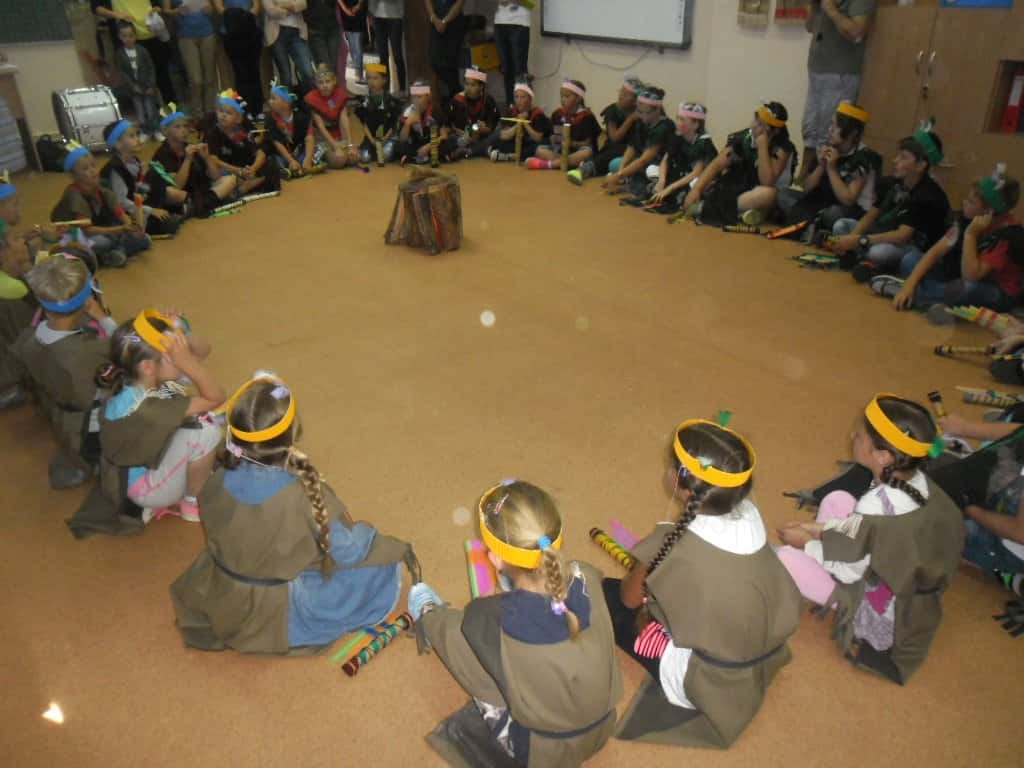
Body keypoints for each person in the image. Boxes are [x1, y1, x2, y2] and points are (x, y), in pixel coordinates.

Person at [170, 372, 419, 653]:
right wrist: (367, 532)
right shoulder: (305, 496)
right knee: (381, 563)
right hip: (279, 612)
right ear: (292, 433)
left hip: (227, 599)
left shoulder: (217, 477)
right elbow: (348, 553)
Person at [607, 419, 801, 748]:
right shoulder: (750, 514)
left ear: (679, 482)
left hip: (702, 678)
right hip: (759, 652)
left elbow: (628, 599)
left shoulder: (672, 542)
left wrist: (644, 566)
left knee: (606, 596)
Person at [409, 479, 622, 767]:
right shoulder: (588, 575)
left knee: (462, 639)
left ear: (496, 560)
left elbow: (456, 635)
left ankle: (426, 609)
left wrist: (430, 615)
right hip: (603, 728)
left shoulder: (488, 618)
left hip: (543, 753)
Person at [777, 394, 962, 684]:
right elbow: (869, 534)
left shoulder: (876, 506)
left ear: (883, 456)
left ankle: (837, 604)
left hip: (875, 604)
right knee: (838, 499)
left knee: (785, 558)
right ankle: (817, 562)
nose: (853, 436)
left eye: (860, 435)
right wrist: (817, 529)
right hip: (895, 580)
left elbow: (850, 571)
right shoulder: (917, 483)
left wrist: (807, 544)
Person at [93, 310, 223, 525]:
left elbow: (203, 351)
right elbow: (216, 397)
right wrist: (187, 363)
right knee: (208, 430)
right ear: (148, 367)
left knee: (196, 411)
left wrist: (180, 331)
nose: (182, 356)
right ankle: (191, 502)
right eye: (174, 354)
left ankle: (182, 478)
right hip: (145, 488)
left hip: (136, 463)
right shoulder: (148, 408)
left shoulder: (137, 379)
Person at [14, 255, 117, 489]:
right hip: (92, 422)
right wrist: (103, 317)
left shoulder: (28, 339)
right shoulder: (91, 351)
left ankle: (81, 459)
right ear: (86, 301)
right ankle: (97, 463)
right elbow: (128, 346)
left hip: (60, 413)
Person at [879, 170, 1022, 314]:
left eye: (971, 202)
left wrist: (971, 235)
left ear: (989, 212)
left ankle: (911, 294)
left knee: (968, 288)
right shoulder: (966, 220)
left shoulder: (1007, 236)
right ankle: (928, 297)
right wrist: (909, 285)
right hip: (960, 279)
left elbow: (971, 275)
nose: (964, 202)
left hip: (996, 291)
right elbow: (935, 252)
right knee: (910, 259)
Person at [830, 127, 950, 283]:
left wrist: (860, 241)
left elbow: (902, 236)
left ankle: (879, 267)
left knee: (879, 252)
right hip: (886, 234)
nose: (895, 160)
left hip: (912, 247)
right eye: (898, 155)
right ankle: (861, 259)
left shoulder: (927, 196)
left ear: (921, 165)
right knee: (841, 226)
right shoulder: (892, 183)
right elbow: (871, 215)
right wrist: (851, 240)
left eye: (903, 157)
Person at [799, 0, 876, 185]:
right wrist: (813, 6)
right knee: (810, 133)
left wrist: (831, 9)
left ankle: (821, 188)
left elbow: (857, 32)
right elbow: (809, 27)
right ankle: (803, 183)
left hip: (840, 76)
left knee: (829, 136)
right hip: (817, 72)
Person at [685, 102, 796, 227]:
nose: (754, 125)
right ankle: (746, 212)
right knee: (708, 182)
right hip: (744, 184)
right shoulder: (744, 137)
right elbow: (717, 165)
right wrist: (697, 189)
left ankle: (706, 207)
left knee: (768, 194)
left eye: (761, 124)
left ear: (774, 131)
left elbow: (767, 181)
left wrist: (762, 148)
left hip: (766, 190)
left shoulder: (783, 148)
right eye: (756, 119)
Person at [778, 101, 880, 233]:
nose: (830, 129)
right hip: (821, 202)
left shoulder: (864, 157)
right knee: (783, 195)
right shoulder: (828, 147)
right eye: (831, 124)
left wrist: (831, 169)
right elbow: (807, 188)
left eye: (836, 126)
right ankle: (814, 225)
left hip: (850, 209)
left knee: (833, 213)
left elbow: (848, 199)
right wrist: (821, 166)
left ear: (852, 133)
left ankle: (812, 224)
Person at [51, 145, 152, 269]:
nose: (92, 171)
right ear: (73, 176)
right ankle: (114, 252)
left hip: (105, 229)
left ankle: (116, 252)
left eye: (93, 166)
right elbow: (87, 230)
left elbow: (121, 215)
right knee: (102, 242)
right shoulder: (74, 196)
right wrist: (120, 230)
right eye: (85, 169)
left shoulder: (103, 191)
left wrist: (132, 228)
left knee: (142, 239)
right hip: (78, 235)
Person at [100, 119, 183, 236]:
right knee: (169, 223)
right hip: (125, 214)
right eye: (132, 136)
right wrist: (151, 210)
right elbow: (121, 202)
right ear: (118, 144)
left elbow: (137, 190)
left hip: (137, 205)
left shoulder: (134, 161)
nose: (138, 139)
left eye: (137, 135)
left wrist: (149, 177)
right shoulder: (116, 169)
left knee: (158, 183)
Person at [151, 106, 238, 217]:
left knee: (230, 179)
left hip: (198, 194)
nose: (184, 131)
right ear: (166, 131)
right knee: (171, 193)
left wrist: (207, 158)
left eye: (186, 126)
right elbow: (177, 185)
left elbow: (216, 177)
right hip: (181, 196)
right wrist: (187, 159)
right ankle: (207, 203)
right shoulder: (161, 154)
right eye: (177, 127)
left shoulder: (191, 146)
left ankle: (198, 206)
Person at [589, 85, 674, 197]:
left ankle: (633, 185)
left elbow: (645, 159)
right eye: (639, 111)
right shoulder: (642, 121)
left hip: (658, 165)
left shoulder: (664, 127)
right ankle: (629, 181)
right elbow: (632, 147)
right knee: (615, 164)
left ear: (657, 110)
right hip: (641, 162)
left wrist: (619, 176)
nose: (641, 115)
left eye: (645, 112)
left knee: (650, 172)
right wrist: (621, 171)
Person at [201, 89, 281, 194]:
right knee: (221, 174)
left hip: (246, 168)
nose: (223, 115)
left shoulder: (243, 129)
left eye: (228, 113)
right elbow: (214, 160)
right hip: (230, 169)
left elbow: (259, 152)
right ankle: (245, 186)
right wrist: (238, 171)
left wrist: (253, 168)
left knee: (271, 165)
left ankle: (247, 186)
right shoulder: (213, 133)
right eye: (220, 111)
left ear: (238, 118)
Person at [643, 102, 716, 215]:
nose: (678, 122)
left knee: (694, 183)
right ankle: (660, 188)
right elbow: (665, 161)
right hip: (681, 173)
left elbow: (696, 173)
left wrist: (670, 188)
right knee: (651, 169)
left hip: (696, 178)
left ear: (696, 125)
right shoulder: (677, 136)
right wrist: (662, 182)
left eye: (682, 120)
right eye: (677, 118)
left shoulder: (703, 143)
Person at [525, 79, 600, 172]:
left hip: (577, 151)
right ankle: (566, 163)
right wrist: (553, 139)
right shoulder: (557, 114)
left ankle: (550, 164)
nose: (563, 100)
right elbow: (552, 135)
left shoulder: (587, 116)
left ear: (578, 99)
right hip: (561, 152)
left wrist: (571, 143)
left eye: (567, 96)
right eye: (561, 96)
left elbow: (588, 143)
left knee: (587, 152)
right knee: (540, 150)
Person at [163, 1, 218, 117]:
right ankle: (198, 114)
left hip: (207, 33)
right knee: (195, 80)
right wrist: (177, 11)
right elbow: (166, 11)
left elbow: (211, 7)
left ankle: (210, 113)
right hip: (186, 36)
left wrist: (209, 9)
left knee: (209, 78)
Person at [214, 0, 265, 117]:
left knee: (254, 72)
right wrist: (236, 16)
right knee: (240, 74)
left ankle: (257, 108)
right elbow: (219, 8)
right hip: (231, 33)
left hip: (251, 31)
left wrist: (245, 17)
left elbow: (256, 6)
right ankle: (244, 108)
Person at [112, 22, 161, 140]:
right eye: (124, 36)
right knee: (140, 112)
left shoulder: (142, 50)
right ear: (119, 37)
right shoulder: (119, 54)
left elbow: (151, 68)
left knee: (151, 110)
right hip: (134, 89)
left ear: (135, 36)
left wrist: (151, 85)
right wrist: (132, 86)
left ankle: (156, 130)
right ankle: (145, 131)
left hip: (147, 87)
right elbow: (122, 72)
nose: (128, 39)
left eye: (130, 36)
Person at [305, 65, 360, 168]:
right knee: (339, 160)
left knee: (354, 158)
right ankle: (320, 157)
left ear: (334, 81)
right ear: (316, 84)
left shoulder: (340, 94)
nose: (325, 85)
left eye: (327, 81)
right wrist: (335, 147)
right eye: (321, 83)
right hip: (322, 139)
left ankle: (340, 153)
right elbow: (320, 127)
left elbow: (344, 120)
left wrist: (350, 145)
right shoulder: (312, 98)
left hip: (338, 136)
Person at [487, 76, 550, 163]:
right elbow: (505, 135)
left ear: (530, 99)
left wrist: (524, 123)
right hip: (520, 143)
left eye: (523, 97)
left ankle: (510, 156)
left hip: (534, 143)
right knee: (497, 141)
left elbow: (537, 138)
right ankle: (512, 155)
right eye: (516, 97)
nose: (519, 100)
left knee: (535, 149)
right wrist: (518, 123)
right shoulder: (512, 112)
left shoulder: (537, 114)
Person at [266, 82, 323, 177]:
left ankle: (302, 166)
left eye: (273, 98)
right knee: (272, 159)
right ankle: (291, 168)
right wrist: (291, 160)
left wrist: (308, 159)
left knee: (318, 149)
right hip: (283, 154)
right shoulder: (270, 120)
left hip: (298, 151)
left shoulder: (302, 117)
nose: (269, 101)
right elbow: (277, 143)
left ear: (285, 103)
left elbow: (309, 138)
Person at [590, 76, 640, 180]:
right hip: (614, 148)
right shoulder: (612, 111)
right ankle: (588, 167)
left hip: (632, 150)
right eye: (621, 92)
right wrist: (630, 120)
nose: (621, 96)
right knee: (613, 154)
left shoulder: (641, 112)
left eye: (626, 95)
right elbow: (615, 138)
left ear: (635, 101)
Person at [444, 66, 500, 160]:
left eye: (472, 85)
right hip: (460, 137)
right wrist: (460, 133)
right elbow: (447, 125)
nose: (468, 88)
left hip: (481, 138)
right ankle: (475, 150)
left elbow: (492, 127)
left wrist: (483, 129)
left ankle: (467, 151)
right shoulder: (457, 100)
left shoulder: (488, 101)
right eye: (466, 84)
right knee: (449, 139)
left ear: (481, 86)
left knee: (498, 135)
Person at [264, 0, 316, 97]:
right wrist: (292, 8)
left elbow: (303, 4)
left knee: (307, 71)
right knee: (286, 76)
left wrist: (281, 4)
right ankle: (288, 105)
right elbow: (271, 11)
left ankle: (312, 102)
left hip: (297, 33)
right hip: (277, 35)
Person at [354, 62, 403, 164]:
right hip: (370, 138)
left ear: (384, 80)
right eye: (368, 78)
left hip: (387, 137)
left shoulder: (392, 101)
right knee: (364, 158)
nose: (371, 82)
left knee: (386, 155)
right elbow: (363, 123)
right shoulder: (363, 101)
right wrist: (372, 140)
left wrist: (384, 139)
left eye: (375, 78)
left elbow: (394, 124)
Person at [395, 80, 447, 164]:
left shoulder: (435, 110)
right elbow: (402, 139)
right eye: (413, 97)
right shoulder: (407, 112)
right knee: (398, 147)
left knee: (448, 144)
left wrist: (429, 146)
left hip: (432, 143)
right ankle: (419, 157)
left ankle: (413, 158)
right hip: (415, 144)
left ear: (428, 96)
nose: (416, 100)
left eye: (419, 97)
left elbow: (444, 136)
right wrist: (407, 124)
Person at [493, 1, 530, 109]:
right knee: (506, 69)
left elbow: (532, 4)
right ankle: (511, 106)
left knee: (519, 70)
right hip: (499, 22)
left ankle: (523, 108)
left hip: (520, 23)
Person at [426, 0, 465, 100]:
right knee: (434, 61)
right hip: (436, 22)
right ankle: (456, 94)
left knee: (451, 64)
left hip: (454, 23)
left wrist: (445, 21)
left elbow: (459, 3)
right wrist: (434, 18)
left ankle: (456, 98)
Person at [370, 0, 407, 93]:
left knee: (397, 56)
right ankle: (385, 91)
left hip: (395, 17)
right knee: (383, 57)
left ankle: (402, 89)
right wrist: (371, 12)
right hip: (378, 17)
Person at [305, 0, 342, 75]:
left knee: (333, 66)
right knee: (325, 66)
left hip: (333, 29)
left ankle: (333, 82)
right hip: (315, 31)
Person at [338, 0, 368, 84]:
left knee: (357, 46)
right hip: (346, 13)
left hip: (358, 13)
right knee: (352, 46)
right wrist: (345, 9)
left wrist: (357, 6)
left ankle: (359, 74)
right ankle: (357, 73)